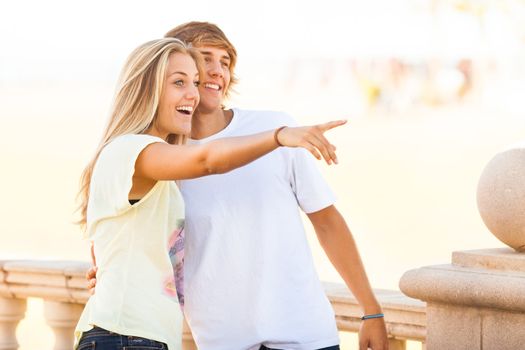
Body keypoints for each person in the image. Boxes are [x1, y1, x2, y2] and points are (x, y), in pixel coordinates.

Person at [75, 37, 345, 350]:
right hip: (124, 337)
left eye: (194, 82)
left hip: (137, 337)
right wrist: (280, 136)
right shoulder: (129, 150)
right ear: (146, 88)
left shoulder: (157, 165)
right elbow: (207, 160)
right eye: (179, 82)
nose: (192, 92)